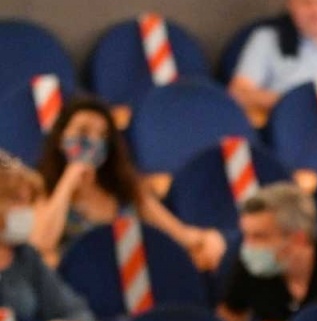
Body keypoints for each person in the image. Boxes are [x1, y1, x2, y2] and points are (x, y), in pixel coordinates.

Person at [31, 96, 226, 271]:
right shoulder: (44, 189)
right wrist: (68, 182)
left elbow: (180, 235)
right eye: (83, 131)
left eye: (102, 135)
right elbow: (40, 243)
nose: (93, 141)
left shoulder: (127, 190)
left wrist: (208, 238)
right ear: (60, 138)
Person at [217, 183, 317, 321]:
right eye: (246, 236)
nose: (248, 246)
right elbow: (230, 318)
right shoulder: (246, 267)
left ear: (298, 238)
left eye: (260, 237)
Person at [0, 152, 99, 321]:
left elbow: (78, 314)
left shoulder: (25, 256)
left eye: (29, 202)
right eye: (17, 201)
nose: (27, 212)